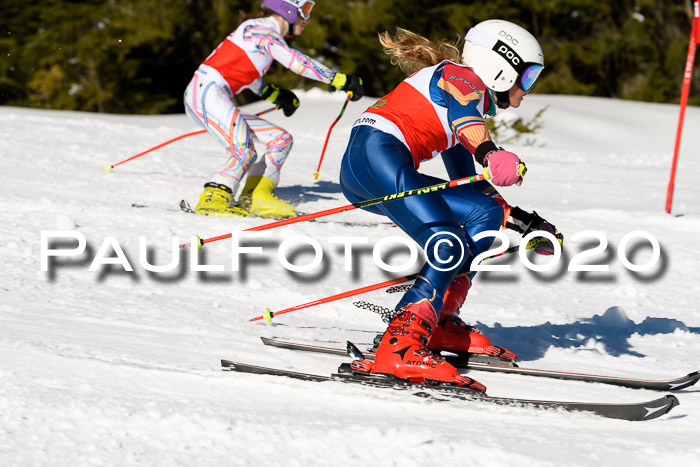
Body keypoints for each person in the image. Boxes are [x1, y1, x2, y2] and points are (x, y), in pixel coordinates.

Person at [339, 20, 563, 389]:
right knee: (448, 239)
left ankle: (438, 320)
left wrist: (524, 224)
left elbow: (475, 192)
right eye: (528, 77)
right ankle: (401, 343)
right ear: (501, 68)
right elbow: (465, 119)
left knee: (484, 214)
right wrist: (491, 151)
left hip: (376, 164)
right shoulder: (461, 79)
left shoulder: (465, 103)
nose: (528, 91)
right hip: (376, 155)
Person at [184, 0, 364, 219]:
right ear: (287, 9)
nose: (306, 19)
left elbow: (247, 73)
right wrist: (338, 79)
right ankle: (214, 197)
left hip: (211, 94)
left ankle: (254, 197)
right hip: (205, 92)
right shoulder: (262, 29)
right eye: (305, 10)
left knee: (280, 139)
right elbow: (295, 61)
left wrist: (274, 94)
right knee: (243, 150)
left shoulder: (261, 33)